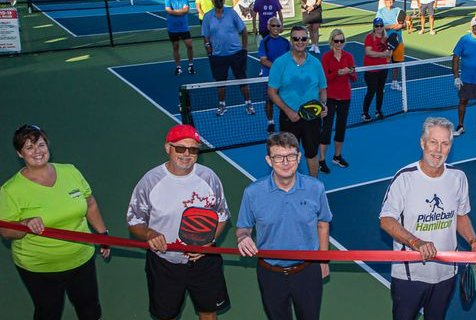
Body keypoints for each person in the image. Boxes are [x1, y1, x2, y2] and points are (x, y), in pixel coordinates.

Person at [0, 124, 110, 320]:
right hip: (39, 267)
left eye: (41, 145)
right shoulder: (11, 189)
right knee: (48, 313)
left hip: (81, 258)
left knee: (90, 309)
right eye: (29, 147)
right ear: (20, 154)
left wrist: (102, 234)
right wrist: (24, 224)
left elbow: (90, 203)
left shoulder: (70, 171)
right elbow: (5, 231)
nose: (37, 151)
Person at [379, 117, 476, 320]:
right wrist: (416, 242)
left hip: (446, 272)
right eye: (433, 142)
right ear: (423, 143)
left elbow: (460, 215)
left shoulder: (458, 178)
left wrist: (474, 242)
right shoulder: (404, 178)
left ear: (450, 146)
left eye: (445, 143)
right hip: (410, 275)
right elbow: (386, 219)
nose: (438, 150)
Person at [127, 124, 231, 320]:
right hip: (165, 261)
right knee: (166, 315)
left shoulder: (209, 178)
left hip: (204, 260)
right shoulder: (150, 181)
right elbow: (135, 222)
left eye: (193, 150)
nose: (187, 154)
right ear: (168, 148)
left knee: (208, 312)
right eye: (181, 148)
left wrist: (207, 243)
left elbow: (222, 217)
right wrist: (149, 234)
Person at [236, 132, 332, 320]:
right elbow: (243, 227)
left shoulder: (316, 188)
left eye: (290, 156)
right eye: (278, 157)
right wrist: (243, 237)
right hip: (270, 273)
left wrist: (323, 260)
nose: (285, 162)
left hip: (307, 270)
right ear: (269, 160)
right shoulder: (252, 192)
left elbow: (323, 223)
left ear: (299, 157)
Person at [268, 26, 328, 177]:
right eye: (296, 38)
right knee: (288, 155)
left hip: (312, 118)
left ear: (308, 40)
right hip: (289, 119)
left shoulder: (315, 63)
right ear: (291, 40)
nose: (300, 41)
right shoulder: (280, 63)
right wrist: (288, 111)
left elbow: (322, 89)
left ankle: (314, 184)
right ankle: (289, 185)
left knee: (312, 153)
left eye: (303, 38)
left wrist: (323, 105)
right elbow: (272, 92)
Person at [202, 0, 252, 116]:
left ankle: (248, 104)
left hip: (236, 54)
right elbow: (206, 36)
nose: (219, 1)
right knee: (220, 83)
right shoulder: (208, 16)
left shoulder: (231, 13)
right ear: (213, 1)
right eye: (216, 0)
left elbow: (244, 31)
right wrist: (209, 52)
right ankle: (222, 105)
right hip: (218, 56)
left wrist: (244, 49)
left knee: (242, 79)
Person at [318, 29, 355, 174]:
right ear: (332, 41)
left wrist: (350, 72)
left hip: (345, 96)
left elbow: (354, 77)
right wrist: (337, 73)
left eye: (341, 41)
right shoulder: (326, 57)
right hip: (330, 97)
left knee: (341, 127)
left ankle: (337, 156)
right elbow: (324, 79)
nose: (339, 43)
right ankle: (322, 160)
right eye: (336, 41)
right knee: (326, 128)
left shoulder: (349, 56)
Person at [258, 17, 290, 133]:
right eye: (273, 25)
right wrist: (278, 68)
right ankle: (270, 122)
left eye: (278, 25)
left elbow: (291, 58)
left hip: (284, 78)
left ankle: (285, 120)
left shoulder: (285, 42)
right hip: (269, 77)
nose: (275, 28)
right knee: (269, 101)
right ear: (268, 27)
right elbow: (263, 60)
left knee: (285, 99)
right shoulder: (264, 42)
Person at [362, 18, 392, 122]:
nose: (379, 27)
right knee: (371, 91)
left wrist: (388, 54)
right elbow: (368, 52)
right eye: (376, 26)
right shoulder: (369, 37)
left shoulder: (386, 38)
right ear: (374, 27)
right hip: (371, 69)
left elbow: (389, 53)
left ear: (383, 26)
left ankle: (378, 111)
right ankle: (365, 113)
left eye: (380, 25)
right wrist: (382, 54)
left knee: (380, 90)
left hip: (383, 69)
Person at [376, 0, 405, 90]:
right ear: (385, 2)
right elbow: (380, 26)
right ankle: (381, 85)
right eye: (388, 0)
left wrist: (401, 25)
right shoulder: (380, 12)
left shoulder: (398, 10)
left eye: (392, 0)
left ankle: (394, 83)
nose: (390, 2)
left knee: (397, 64)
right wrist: (393, 26)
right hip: (386, 42)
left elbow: (403, 23)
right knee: (384, 64)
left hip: (398, 41)